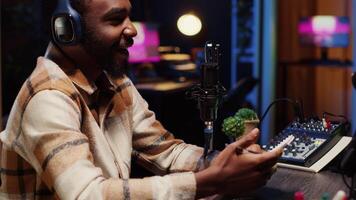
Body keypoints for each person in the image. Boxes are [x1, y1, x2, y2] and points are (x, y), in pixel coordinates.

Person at [0, 0, 282, 199]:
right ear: (68, 29)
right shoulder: (48, 99)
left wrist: (223, 161)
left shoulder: (116, 83)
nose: (132, 29)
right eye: (115, 19)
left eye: (128, 17)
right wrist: (203, 184)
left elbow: (165, 151)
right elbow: (88, 195)